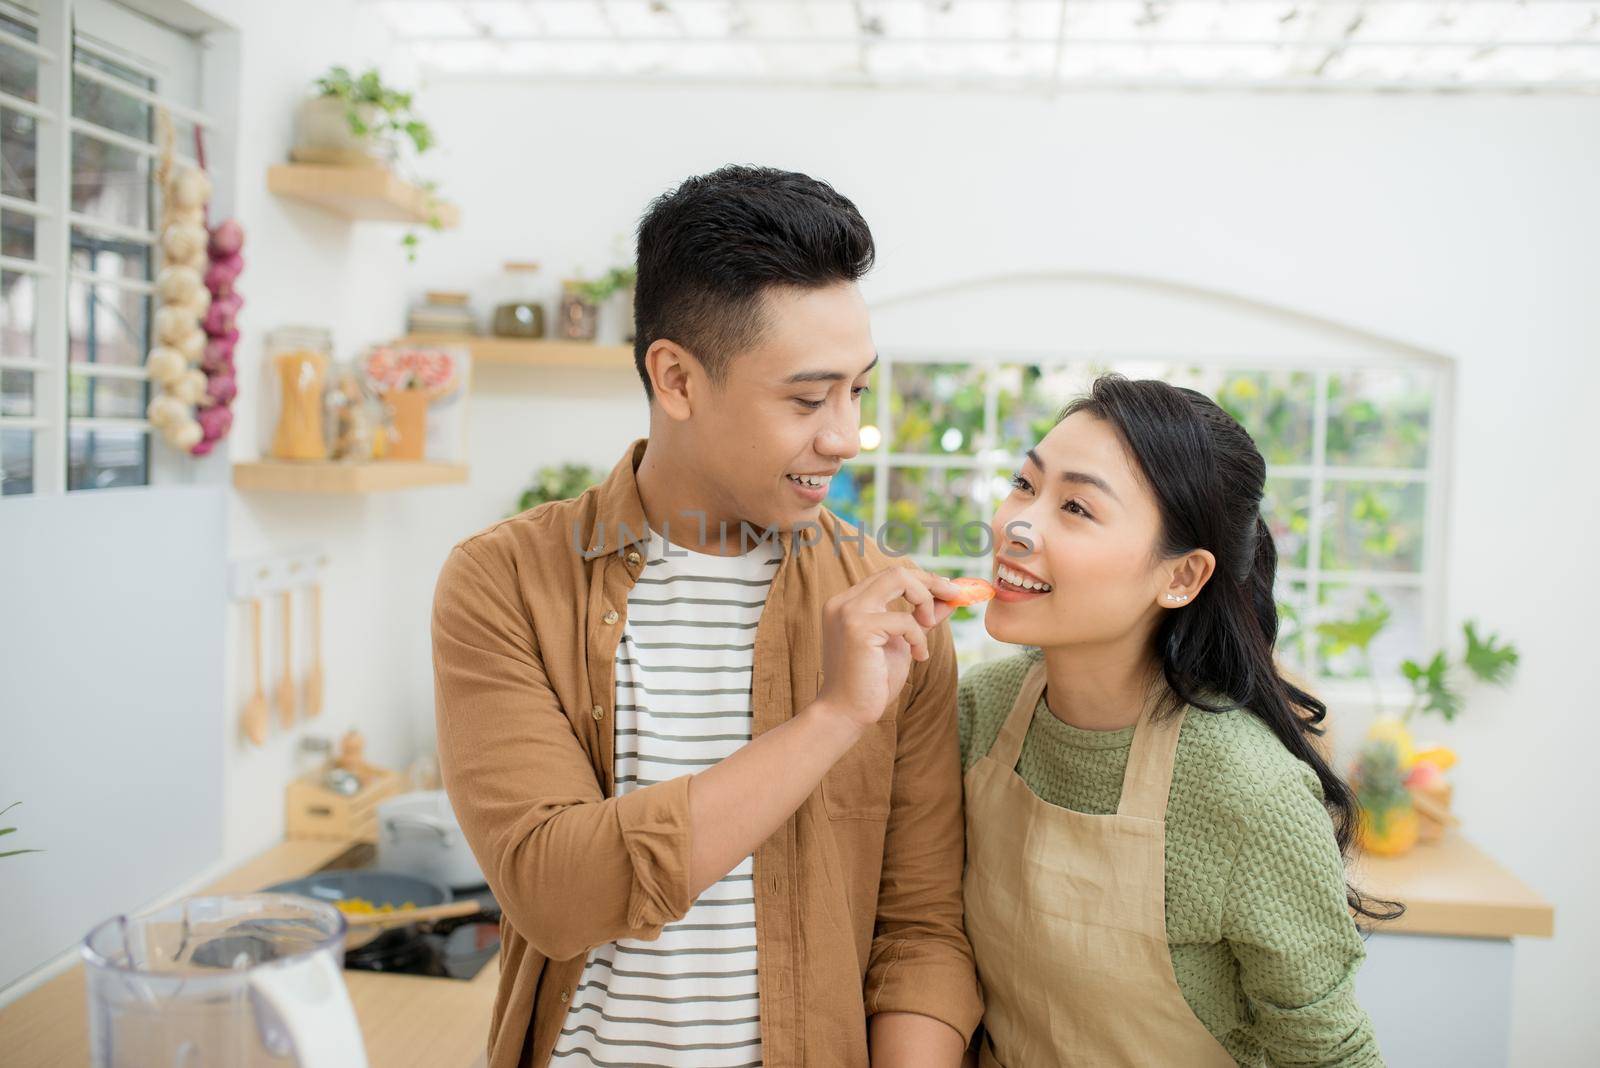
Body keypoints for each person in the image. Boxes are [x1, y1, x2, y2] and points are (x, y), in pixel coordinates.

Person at [431, 165, 981, 1068]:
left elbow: (920, 931)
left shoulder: (889, 609)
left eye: (858, 391)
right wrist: (834, 717)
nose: (844, 435)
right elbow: (554, 891)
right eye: (807, 399)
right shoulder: (505, 582)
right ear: (677, 378)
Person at [959, 374, 1391, 1067]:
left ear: (1182, 576)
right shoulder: (977, 711)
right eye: (1023, 484)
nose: (1016, 525)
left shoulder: (1248, 794)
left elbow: (1327, 1057)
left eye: (1075, 506)